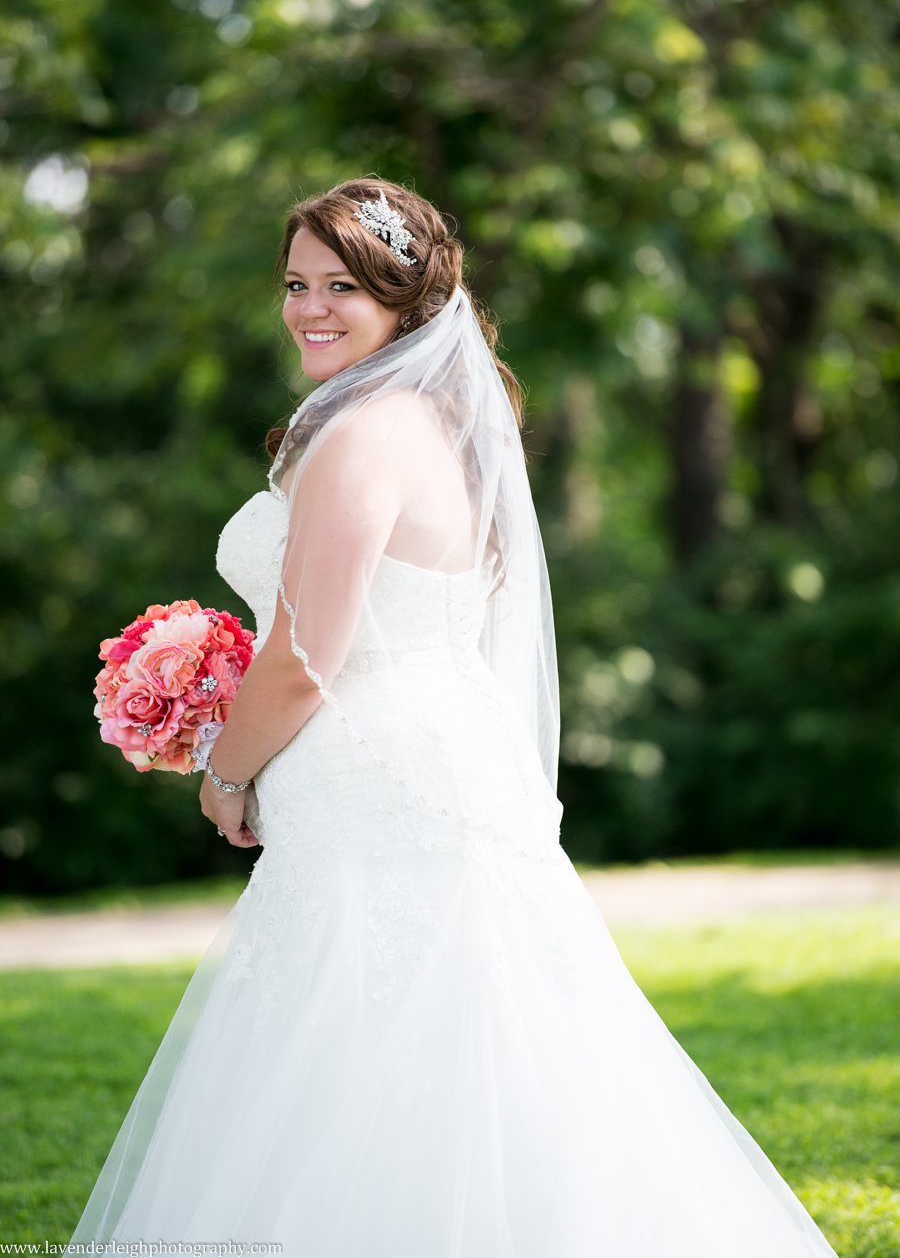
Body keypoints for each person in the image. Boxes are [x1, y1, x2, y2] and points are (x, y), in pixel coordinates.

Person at [65, 176, 842, 1257]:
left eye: (344, 285)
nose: (309, 308)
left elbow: (301, 658)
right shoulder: (438, 425)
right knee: (478, 1045)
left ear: (405, 299)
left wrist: (226, 768)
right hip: (434, 755)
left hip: (375, 777)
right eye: (295, 283)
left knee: (369, 1046)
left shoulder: (359, 436)